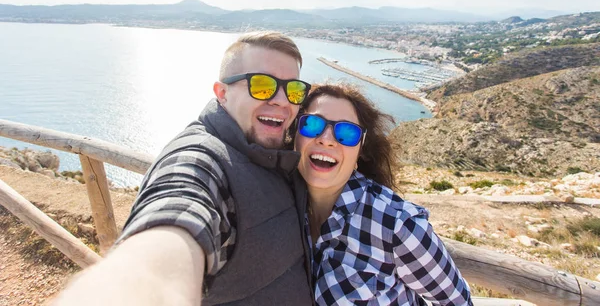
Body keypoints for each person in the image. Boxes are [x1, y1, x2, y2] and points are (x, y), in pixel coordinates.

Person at [53, 32, 314, 306]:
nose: (283, 101)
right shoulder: (202, 158)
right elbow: (177, 210)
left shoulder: (277, 150)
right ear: (222, 93)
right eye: (262, 86)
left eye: (294, 90)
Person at [293, 83, 473, 305]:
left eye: (347, 132)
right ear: (295, 134)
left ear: (361, 149)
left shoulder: (397, 225)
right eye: (312, 124)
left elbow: (457, 302)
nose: (327, 139)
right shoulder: (282, 206)